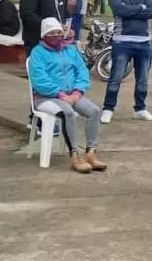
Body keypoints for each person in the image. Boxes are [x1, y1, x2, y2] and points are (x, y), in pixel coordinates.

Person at [27, 18, 107, 174]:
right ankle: (74, 155)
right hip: (46, 97)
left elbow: (82, 72)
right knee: (67, 113)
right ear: (44, 35)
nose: (56, 35)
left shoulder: (70, 50)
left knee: (94, 111)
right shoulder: (37, 53)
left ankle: (91, 152)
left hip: (73, 94)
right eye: (52, 33)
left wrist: (78, 92)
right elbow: (39, 80)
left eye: (58, 32)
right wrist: (60, 95)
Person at [101, 0, 152, 124]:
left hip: (144, 42)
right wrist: (141, 8)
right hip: (122, 41)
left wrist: (130, 9)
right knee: (116, 77)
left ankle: (140, 109)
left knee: (143, 78)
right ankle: (108, 108)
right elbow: (119, 10)